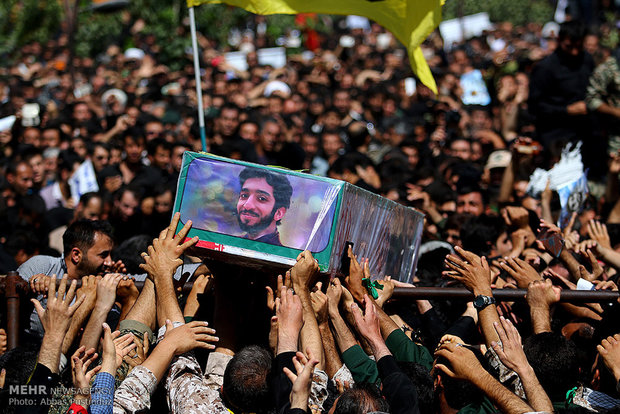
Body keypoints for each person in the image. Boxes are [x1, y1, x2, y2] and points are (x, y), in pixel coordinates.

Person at [236, 167, 293, 246]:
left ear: (279, 213)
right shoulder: (229, 244)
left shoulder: (282, 256)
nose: (247, 205)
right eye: (244, 195)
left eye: (261, 198)